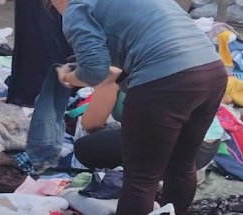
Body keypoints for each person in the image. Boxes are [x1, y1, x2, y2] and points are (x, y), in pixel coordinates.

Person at [44, 0, 227, 215]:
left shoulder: (77, 6)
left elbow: (95, 71)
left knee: (142, 177)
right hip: (211, 73)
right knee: (181, 165)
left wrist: (69, 77)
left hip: (166, 81)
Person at [72, 71, 223, 179]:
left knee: (85, 148)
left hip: (180, 148)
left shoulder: (115, 71)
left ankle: (152, 177)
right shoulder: (158, 63)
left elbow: (90, 124)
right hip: (207, 145)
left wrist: (104, 84)